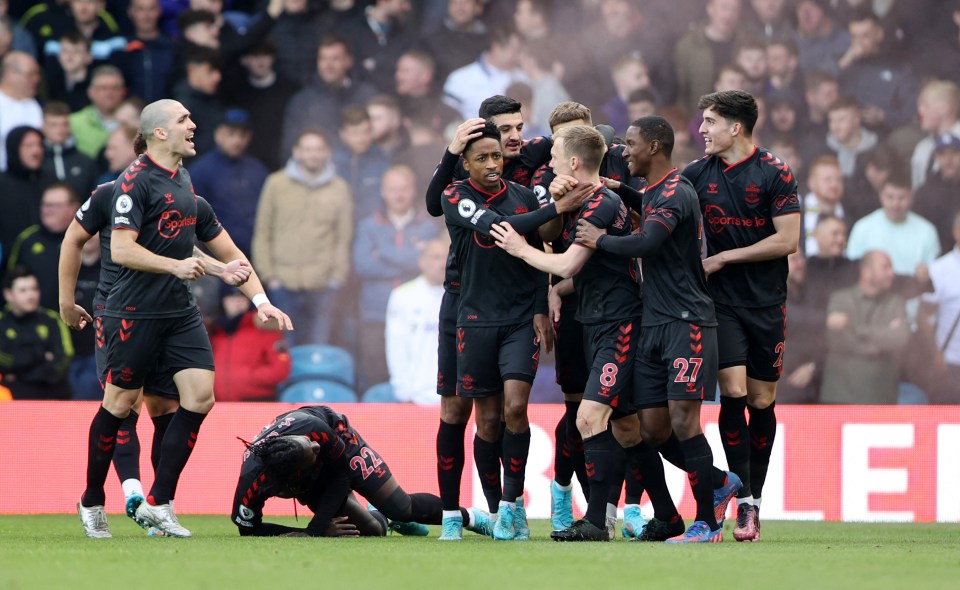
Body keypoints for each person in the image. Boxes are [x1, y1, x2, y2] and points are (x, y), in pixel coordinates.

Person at [74, 98, 292, 539]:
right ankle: (92, 498)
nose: (193, 125)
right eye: (184, 120)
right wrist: (178, 267)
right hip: (132, 311)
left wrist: (260, 300)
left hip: (178, 311)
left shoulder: (184, 182)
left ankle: (159, 502)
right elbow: (121, 250)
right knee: (118, 406)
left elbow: (227, 252)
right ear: (159, 132)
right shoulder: (131, 183)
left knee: (199, 397)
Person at [683, 89, 801, 542]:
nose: (702, 130)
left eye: (710, 121)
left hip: (767, 303)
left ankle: (753, 502)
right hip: (721, 305)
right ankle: (742, 497)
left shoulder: (775, 172)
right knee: (732, 392)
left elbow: (786, 240)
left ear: (735, 127)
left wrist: (724, 257)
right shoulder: (696, 174)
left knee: (761, 400)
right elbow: (656, 200)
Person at [232, 404, 493, 537]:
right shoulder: (252, 480)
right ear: (297, 473)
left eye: (308, 442)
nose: (314, 445)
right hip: (312, 476)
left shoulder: (315, 432)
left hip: (340, 445)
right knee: (373, 531)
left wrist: (317, 528)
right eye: (311, 450)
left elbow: (341, 474)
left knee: (400, 506)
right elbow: (248, 529)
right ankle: (384, 519)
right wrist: (310, 532)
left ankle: (471, 517)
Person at [252, 128, 351, 347]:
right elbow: (262, 232)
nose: (312, 155)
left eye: (318, 149)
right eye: (307, 149)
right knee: (285, 349)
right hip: (283, 283)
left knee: (319, 347)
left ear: (327, 153)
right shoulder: (276, 184)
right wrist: (270, 276)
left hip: (323, 284)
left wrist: (337, 277)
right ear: (296, 152)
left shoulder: (339, 188)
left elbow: (343, 237)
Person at [352, 165, 439, 392]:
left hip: (416, 315)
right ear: (383, 192)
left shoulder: (428, 225)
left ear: (413, 191)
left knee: (413, 374)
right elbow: (362, 265)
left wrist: (382, 253)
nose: (399, 195)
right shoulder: (368, 225)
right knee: (375, 372)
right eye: (393, 189)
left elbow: (430, 265)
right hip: (375, 312)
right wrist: (411, 258)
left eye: (404, 189)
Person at [820, 251, 910, 403]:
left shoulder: (896, 302)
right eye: (885, 268)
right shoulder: (840, 300)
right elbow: (837, 341)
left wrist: (857, 330)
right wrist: (881, 344)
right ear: (866, 272)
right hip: (840, 398)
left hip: (882, 398)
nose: (892, 273)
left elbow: (900, 339)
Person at [188, 108, 268, 257]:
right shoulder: (200, 172)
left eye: (242, 135)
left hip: (255, 255)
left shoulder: (257, 170)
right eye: (230, 134)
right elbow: (192, 220)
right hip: (215, 257)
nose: (237, 140)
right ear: (217, 135)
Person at [385, 238, 448, 406]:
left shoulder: (462, 295)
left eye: (446, 257)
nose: (442, 263)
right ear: (422, 262)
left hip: (454, 398)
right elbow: (396, 348)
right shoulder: (403, 295)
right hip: (416, 398)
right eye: (436, 257)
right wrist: (404, 393)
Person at [0, 265, 73, 399]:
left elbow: (64, 357)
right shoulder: (2, 322)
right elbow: (3, 360)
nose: (31, 295)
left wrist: (24, 372)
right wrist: (39, 354)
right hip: (12, 394)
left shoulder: (52, 319)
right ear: (8, 294)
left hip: (52, 391)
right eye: (23, 290)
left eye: (34, 289)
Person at [6, 183, 80, 312]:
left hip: (80, 317)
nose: (47, 210)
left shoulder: (87, 239)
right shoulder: (27, 239)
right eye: (45, 204)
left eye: (55, 205)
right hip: (37, 321)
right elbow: (12, 281)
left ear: (74, 207)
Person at [209, 285, 291, 402]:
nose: (237, 301)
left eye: (242, 298)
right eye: (231, 297)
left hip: (257, 403)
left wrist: (245, 377)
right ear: (222, 301)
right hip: (218, 404)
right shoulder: (214, 331)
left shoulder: (266, 328)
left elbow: (281, 370)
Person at [920, 211, 960, 404]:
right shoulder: (939, 269)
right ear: (956, 232)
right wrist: (935, 353)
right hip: (951, 364)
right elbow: (924, 315)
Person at [68, 64, 127, 160]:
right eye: (103, 88)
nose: (110, 93)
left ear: (123, 91)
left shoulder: (134, 122)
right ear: (90, 92)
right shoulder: (73, 122)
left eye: (115, 88)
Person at [40, 101, 98, 197]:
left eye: (65, 124)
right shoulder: (36, 161)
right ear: (42, 127)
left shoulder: (85, 161)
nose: (61, 129)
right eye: (54, 125)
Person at [0, 51, 43, 171]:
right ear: (10, 74)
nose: (37, 79)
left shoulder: (35, 106)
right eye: (31, 74)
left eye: (37, 74)